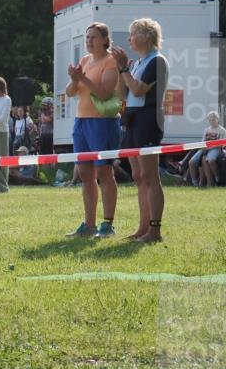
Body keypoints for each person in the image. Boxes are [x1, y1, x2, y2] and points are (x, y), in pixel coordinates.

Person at [112, 18, 170, 243]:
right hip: (132, 121)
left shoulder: (157, 61)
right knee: (138, 176)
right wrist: (121, 70)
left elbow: (138, 89)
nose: (128, 39)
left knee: (149, 176)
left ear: (146, 36)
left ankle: (155, 230)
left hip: (148, 120)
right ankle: (143, 227)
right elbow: (122, 94)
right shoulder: (137, 63)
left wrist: (125, 69)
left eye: (132, 34)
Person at [64, 22, 121, 238]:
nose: (89, 41)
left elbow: (105, 93)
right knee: (85, 174)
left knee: (104, 172)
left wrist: (82, 78)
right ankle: (89, 225)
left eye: (94, 37)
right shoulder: (85, 60)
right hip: (81, 122)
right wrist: (74, 80)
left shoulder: (110, 61)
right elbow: (71, 92)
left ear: (105, 40)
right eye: (87, 37)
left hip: (103, 123)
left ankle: (107, 224)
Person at [186, 111, 226, 187]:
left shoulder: (222, 130)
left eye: (213, 119)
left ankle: (217, 177)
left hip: (215, 149)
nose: (212, 121)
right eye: (210, 120)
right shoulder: (206, 130)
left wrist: (210, 147)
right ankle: (194, 182)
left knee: (211, 160)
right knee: (191, 162)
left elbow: (222, 144)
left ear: (218, 119)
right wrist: (203, 147)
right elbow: (203, 141)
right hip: (205, 148)